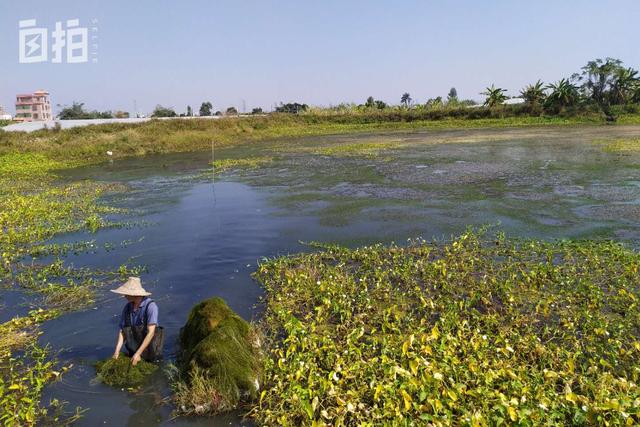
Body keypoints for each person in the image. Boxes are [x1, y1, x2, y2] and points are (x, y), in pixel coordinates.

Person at [111, 277, 163, 365]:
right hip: (134, 348)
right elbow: (122, 331)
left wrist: (138, 353)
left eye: (126, 294)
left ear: (134, 294)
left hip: (151, 349)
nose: (125, 296)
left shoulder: (151, 306)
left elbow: (151, 332)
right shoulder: (127, 308)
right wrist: (117, 351)